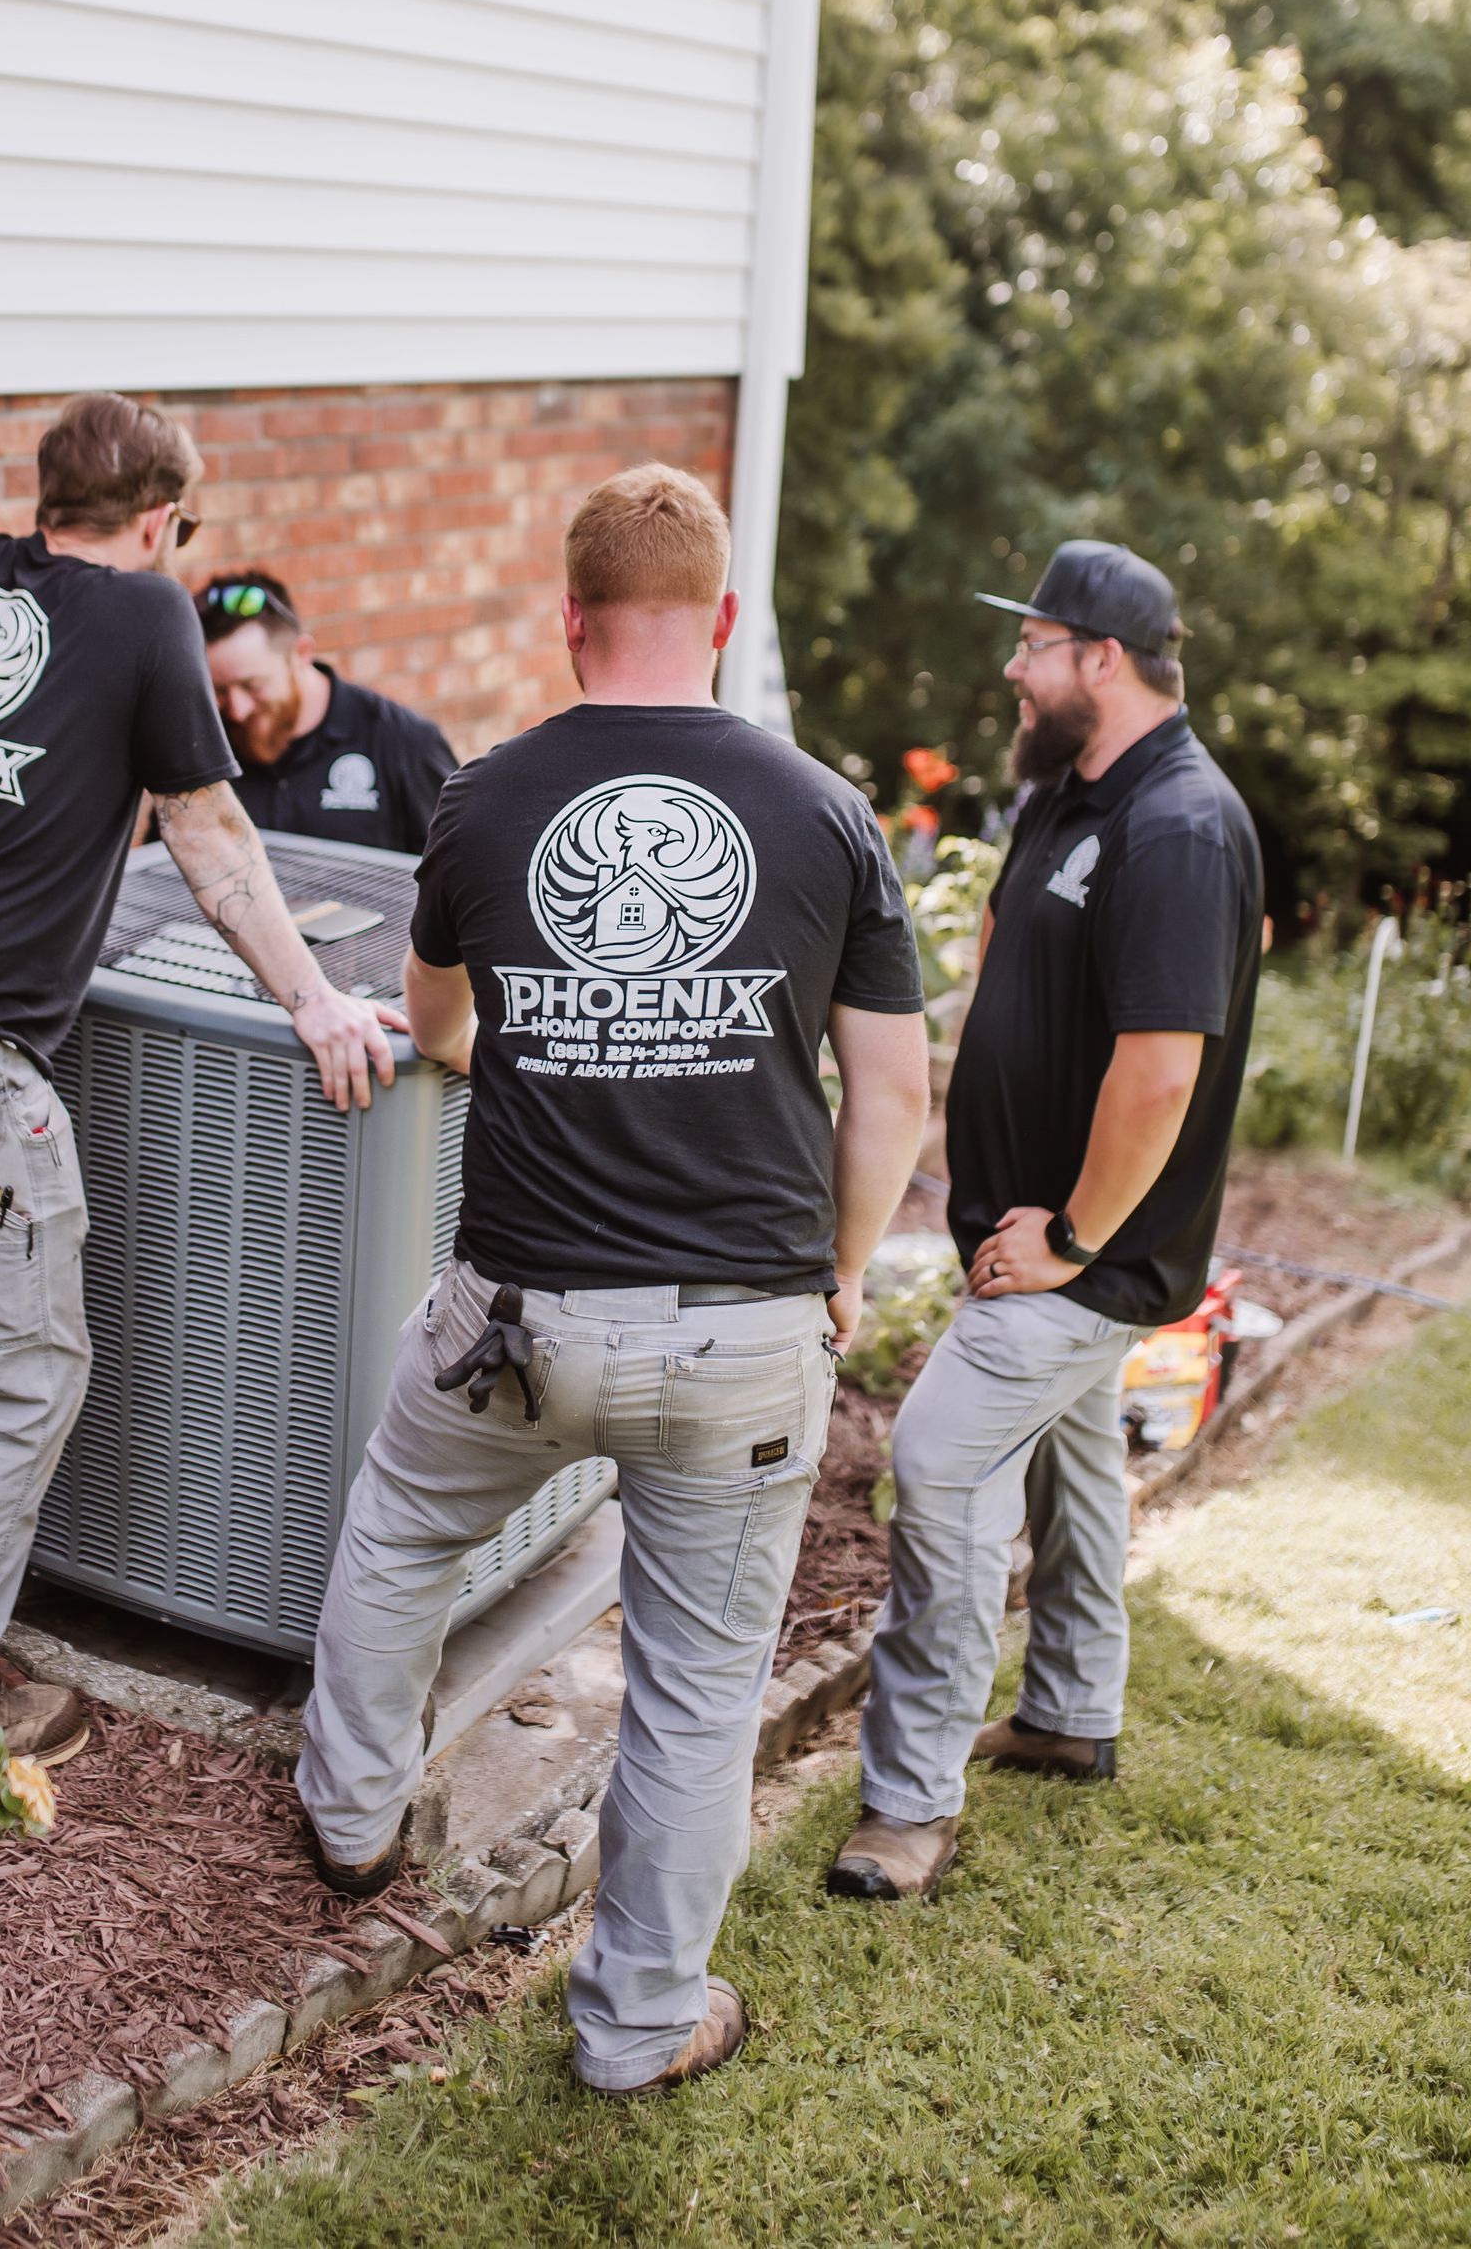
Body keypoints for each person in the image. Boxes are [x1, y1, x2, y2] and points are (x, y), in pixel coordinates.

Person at [297, 465, 932, 2094]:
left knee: (397, 1534)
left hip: (518, 1315)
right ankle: (640, 2025)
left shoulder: (487, 799)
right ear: (722, 620)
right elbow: (893, 1095)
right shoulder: (827, 813)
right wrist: (842, 1277)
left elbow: (435, 1030)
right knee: (698, 1688)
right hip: (743, 1329)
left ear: (570, 622)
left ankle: (354, 1820)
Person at [0, 396, 400, 1771]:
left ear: (43, 491)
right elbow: (212, 833)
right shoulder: (149, 615)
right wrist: (316, 996)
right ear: (165, 521)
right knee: (24, 1373)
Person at [827, 540, 1262, 1904]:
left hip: (1083, 1258)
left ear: (1104, 660)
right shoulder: (1070, 796)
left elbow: (1164, 1066)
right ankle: (1072, 1714)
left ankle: (908, 1805)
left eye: (1033, 645)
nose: (1011, 669)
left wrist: (1069, 1237)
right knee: (1071, 1467)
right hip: (1029, 1239)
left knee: (943, 1463)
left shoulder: (1180, 826)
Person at [194, 569, 457, 854]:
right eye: (218, 690)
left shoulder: (403, 743)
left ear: (302, 653)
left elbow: (463, 870)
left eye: (252, 685)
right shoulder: (202, 746)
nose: (237, 710)